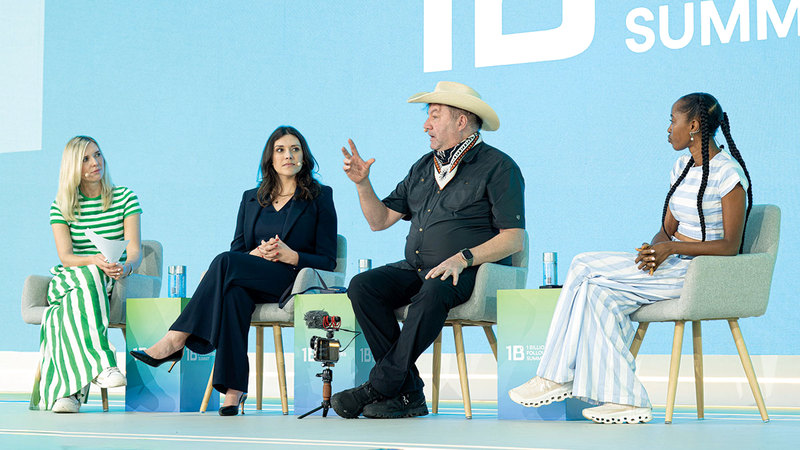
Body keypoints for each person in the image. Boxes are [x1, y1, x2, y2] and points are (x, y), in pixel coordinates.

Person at [508, 93, 753, 424]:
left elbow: (730, 246)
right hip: (673, 265)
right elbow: (666, 231)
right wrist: (654, 251)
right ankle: (628, 400)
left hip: (702, 273)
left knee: (582, 264)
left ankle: (555, 374)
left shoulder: (728, 173)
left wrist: (672, 249)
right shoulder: (681, 168)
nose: (668, 129)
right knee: (596, 295)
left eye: (673, 121)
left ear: (694, 125)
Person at [331, 81, 526, 419]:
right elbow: (379, 221)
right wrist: (362, 184)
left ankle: (379, 385)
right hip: (417, 268)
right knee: (363, 286)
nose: (426, 125)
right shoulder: (424, 167)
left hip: (468, 271)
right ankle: (406, 393)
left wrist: (463, 258)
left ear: (461, 121)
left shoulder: (498, 167)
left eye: (435, 116)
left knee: (435, 288)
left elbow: (514, 239)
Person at [130, 126, 337, 416]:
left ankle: (176, 338)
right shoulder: (251, 198)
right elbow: (238, 249)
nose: (288, 155)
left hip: (290, 280)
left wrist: (291, 255)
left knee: (223, 263)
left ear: (304, 156)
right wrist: (255, 254)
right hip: (251, 277)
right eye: (280, 150)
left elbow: (328, 260)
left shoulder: (319, 196)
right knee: (233, 295)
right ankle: (233, 390)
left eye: (295, 149)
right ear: (270, 158)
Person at [39, 136, 143, 413]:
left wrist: (126, 267)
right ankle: (103, 364)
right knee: (89, 276)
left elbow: (135, 250)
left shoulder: (125, 197)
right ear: (73, 166)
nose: (95, 162)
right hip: (69, 278)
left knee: (65, 312)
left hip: (105, 280)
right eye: (85, 159)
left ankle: (68, 393)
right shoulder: (61, 205)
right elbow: (66, 257)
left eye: (97, 154)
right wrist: (93, 260)